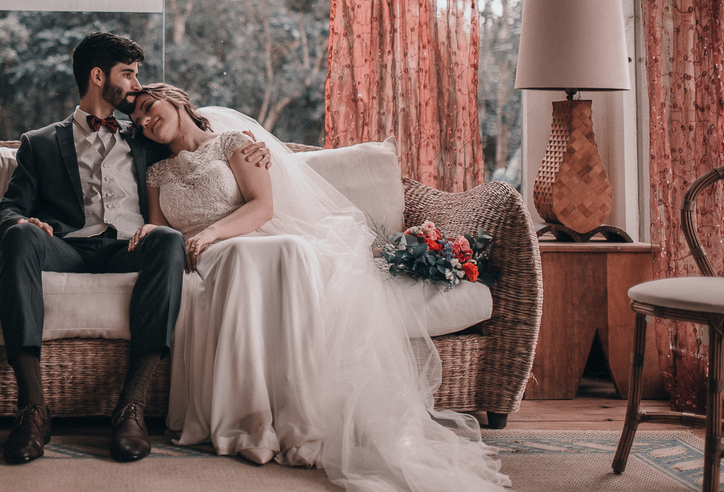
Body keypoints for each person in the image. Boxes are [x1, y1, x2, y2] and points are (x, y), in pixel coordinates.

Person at [130, 83, 510, 491]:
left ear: (176, 99)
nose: (147, 121)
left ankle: (300, 418)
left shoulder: (234, 144)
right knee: (248, 256)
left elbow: (263, 206)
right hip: (203, 257)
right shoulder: (158, 172)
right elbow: (164, 229)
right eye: (139, 122)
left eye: (150, 108)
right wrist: (156, 231)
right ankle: (245, 421)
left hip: (251, 238)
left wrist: (213, 233)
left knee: (292, 249)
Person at [0, 33, 268, 465]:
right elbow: (8, 207)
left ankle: (131, 408)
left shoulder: (145, 137)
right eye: (128, 74)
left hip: (128, 248)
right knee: (21, 233)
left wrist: (254, 147)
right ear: (99, 77)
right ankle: (32, 408)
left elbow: (197, 146)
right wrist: (23, 221)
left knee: (168, 240)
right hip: (67, 247)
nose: (136, 85)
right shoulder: (40, 142)